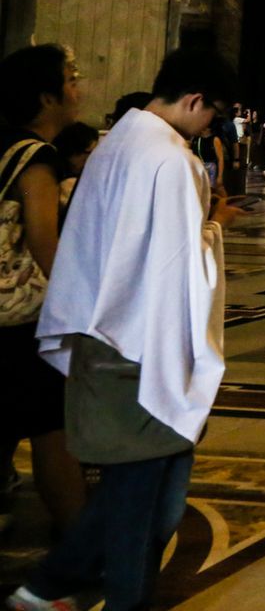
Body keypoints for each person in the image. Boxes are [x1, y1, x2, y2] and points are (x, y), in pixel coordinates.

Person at [13, 49, 243, 611]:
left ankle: (39, 589)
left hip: (101, 332)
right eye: (210, 114)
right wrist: (214, 227)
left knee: (141, 497)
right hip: (141, 348)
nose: (209, 125)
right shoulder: (171, 159)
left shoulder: (116, 141)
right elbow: (179, 270)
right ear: (193, 100)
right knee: (142, 510)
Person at [0, 45, 89, 533]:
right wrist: (79, 305)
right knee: (53, 433)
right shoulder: (37, 157)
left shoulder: (4, 143)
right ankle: (78, 546)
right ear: (46, 96)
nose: (78, 89)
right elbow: (43, 243)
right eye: (70, 79)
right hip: (19, 320)